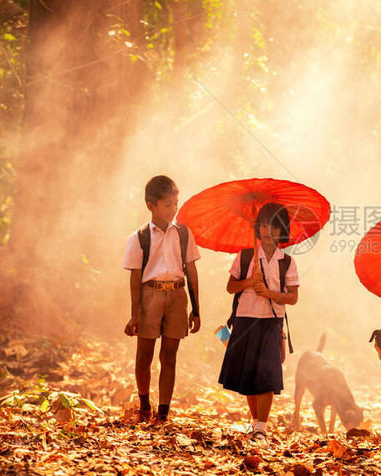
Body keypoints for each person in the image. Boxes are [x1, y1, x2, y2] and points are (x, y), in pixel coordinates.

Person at [218, 202, 299, 444]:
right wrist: (248, 283)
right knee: (249, 374)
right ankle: (256, 423)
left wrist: (270, 292)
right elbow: (231, 287)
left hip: (271, 323)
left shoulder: (287, 262)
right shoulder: (245, 256)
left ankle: (262, 426)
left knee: (267, 375)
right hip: (245, 319)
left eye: (274, 226)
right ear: (258, 227)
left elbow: (293, 297)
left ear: (281, 230)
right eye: (263, 225)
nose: (267, 231)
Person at [122, 175, 201, 424]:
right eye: (168, 204)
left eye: (176, 203)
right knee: (144, 356)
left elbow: (192, 272)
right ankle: (145, 403)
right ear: (151, 206)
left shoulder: (184, 234)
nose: (173, 209)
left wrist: (196, 309)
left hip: (177, 295)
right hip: (150, 295)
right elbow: (135, 279)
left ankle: (163, 413)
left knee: (170, 356)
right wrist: (135, 313)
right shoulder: (139, 237)